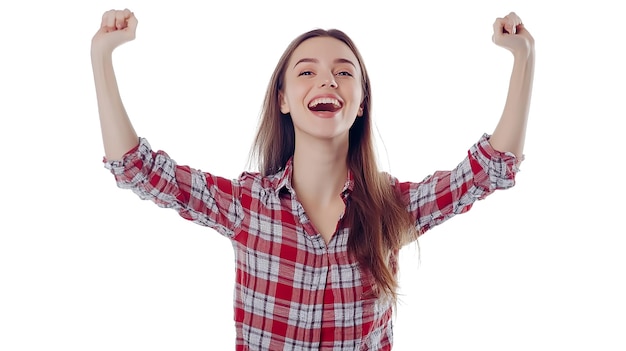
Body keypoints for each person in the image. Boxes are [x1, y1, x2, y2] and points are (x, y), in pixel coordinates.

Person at [92, 8, 534, 351]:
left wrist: (524, 58)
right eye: (307, 71)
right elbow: (136, 167)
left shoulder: (392, 208)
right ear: (283, 100)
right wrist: (101, 55)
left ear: (361, 103)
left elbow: (491, 168)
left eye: (344, 72)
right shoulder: (248, 205)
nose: (327, 79)